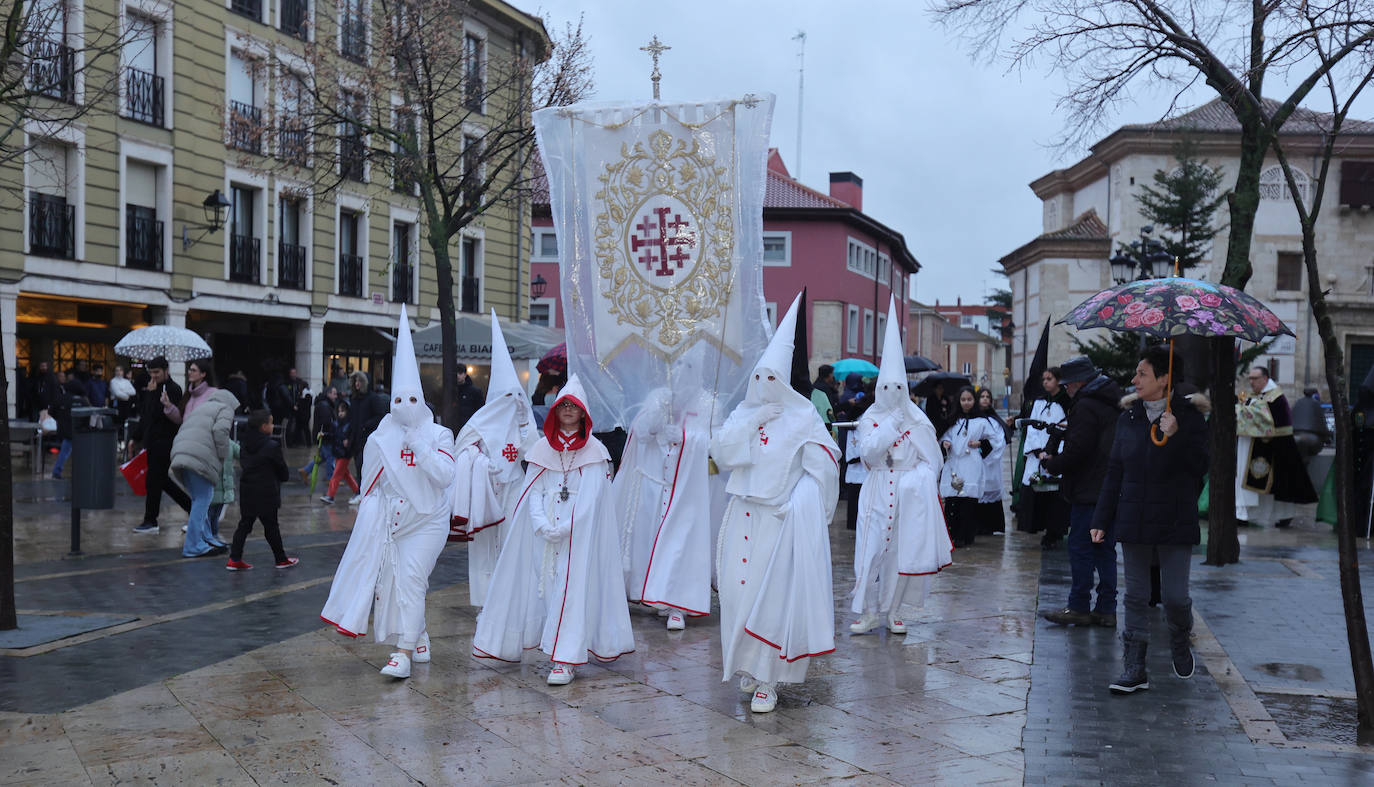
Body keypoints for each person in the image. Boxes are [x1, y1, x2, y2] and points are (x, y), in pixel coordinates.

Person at [711, 294, 840, 714]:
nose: (764, 384)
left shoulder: (805, 419)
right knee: (735, 596)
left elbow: (823, 471)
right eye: (759, 376)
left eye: (772, 377)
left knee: (771, 599)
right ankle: (747, 666)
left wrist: (804, 509)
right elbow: (722, 455)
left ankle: (769, 678)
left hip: (778, 519)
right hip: (741, 512)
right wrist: (749, 423)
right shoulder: (742, 414)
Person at [471, 374, 635, 684]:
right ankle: (555, 646)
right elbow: (533, 490)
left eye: (574, 406)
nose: (569, 411)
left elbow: (592, 498)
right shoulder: (542, 449)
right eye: (564, 406)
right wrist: (542, 523)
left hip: (578, 534)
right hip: (544, 531)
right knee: (548, 589)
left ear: (583, 411)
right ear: (556, 410)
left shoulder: (595, 452)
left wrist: (570, 526)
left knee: (570, 590)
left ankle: (565, 659)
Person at [322, 305, 456, 679]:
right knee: (400, 582)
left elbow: (446, 476)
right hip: (393, 523)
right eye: (398, 400)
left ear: (422, 400)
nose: (404, 407)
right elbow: (372, 484)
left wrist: (421, 448)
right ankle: (419, 634)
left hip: (428, 520)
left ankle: (402, 652)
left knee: (411, 580)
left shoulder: (439, 434)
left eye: (412, 400)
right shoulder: (380, 437)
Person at [1095, 346, 1210, 695]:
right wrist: (1102, 516)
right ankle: (1134, 667)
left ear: (1164, 379)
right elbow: (1115, 470)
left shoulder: (1189, 418)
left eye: (1142, 373)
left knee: (1175, 597)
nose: (1134, 380)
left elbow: (1199, 469)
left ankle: (1179, 636)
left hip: (1175, 518)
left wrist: (1175, 437)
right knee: (1136, 596)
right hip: (1134, 517)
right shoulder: (1128, 418)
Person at [849, 299, 951, 636]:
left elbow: (932, 459)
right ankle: (865, 612)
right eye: (886, 387)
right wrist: (890, 425)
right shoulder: (871, 419)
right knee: (869, 551)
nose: (892, 393)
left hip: (907, 493)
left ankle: (892, 611)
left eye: (898, 388)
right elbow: (868, 454)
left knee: (898, 554)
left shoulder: (918, 419)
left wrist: (918, 479)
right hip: (877, 488)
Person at [617, 354, 719, 630]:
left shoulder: (709, 403)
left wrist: (687, 438)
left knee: (682, 545)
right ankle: (652, 595)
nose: (681, 371)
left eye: (688, 365)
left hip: (689, 491)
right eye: (677, 365)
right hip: (654, 484)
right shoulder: (659, 396)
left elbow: (717, 444)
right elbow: (639, 433)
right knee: (649, 541)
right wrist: (656, 419)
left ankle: (678, 604)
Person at [450, 313, 536, 606]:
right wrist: (480, 462)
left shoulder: (523, 419)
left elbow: (533, 452)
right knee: (484, 548)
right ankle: (486, 602)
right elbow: (462, 450)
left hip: (514, 486)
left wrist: (526, 426)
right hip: (485, 490)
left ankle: (513, 598)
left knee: (513, 540)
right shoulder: (479, 421)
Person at [1036, 356, 1124, 628]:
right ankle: (1106, 608)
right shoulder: (1110, 402)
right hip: (1107, 486)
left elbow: (1079, 450)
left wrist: (1052, 464)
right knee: (1104, 549)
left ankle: (1079, 606)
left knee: (1081, 548)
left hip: (1088, 488)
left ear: (1077, 383)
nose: (1066, 390)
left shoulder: (1086, 406)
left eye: (1067, 385)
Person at [169, 361, 237, 558]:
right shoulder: (225, 409)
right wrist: (224, 456)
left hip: (180, 454)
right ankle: (193, 545)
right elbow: (220, 431)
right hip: (197, 458)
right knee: (203, 501)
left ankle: (206, 538)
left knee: (199, 500)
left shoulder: (204, 407)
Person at [1236, 367, 1318, 527]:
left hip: (1278, 449)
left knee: (1280, 487)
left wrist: (1241, 411)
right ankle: (1250, 514)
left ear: (1265, 379)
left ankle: (1282, 516)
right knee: (1266, 488)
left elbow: (1264, 417)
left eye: (1254, 378)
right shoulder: (1261, 395)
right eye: (1250, 378)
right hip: (1261, 446)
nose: (1251, 382)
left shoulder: (1275, 397)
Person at [227, 410, 299, 570]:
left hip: (247, 491)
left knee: (244, 525)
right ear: (263, 426)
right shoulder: (271, 446)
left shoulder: (244, 444)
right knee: (271, 527)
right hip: (267, 492)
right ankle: (281, 559)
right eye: (271, 423)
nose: (273, 426)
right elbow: (283, 472)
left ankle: (234, 558)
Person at [131, 357, 192, 533]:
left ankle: (150, 520)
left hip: (165, 442)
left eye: (157, 372)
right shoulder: (152, 388)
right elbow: (146, 415)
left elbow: (164, 415)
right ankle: (192, 508)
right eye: (151, 373)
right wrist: (136, 438)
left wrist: (152, 394)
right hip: (151, 441)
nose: (154, 376)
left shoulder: (173, 389)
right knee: (161, 481)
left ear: (166, 370)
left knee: (154, 480)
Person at [940, 386, 1001, 548]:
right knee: (953, 499)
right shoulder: (953, 420)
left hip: (971, 464)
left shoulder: (982, 421)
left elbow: (995, 441)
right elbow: (944, 437)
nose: (966, 403)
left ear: (974, 401)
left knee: (968, 501)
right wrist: (945, 443)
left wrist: (980, 443)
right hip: (954, 463)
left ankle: (965, 535)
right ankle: (951, 534)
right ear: (959, 401)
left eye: (969, 399)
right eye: (963, 400)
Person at [1018, 367, 1071, 547]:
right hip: (1038, 453)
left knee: (1054, 496)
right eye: (1044, 379)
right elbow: (1032, 428)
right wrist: (1038, 450)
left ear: (1058, 380)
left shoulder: (1066, 402)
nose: (1046, 382)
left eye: (1050, 378)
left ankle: (1054, 531)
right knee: (1036, 490)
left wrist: (1052, 453)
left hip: (1056, 455)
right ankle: (1038, 526)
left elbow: (1066, 430)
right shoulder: (1039, 402)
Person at [346, 369, 388, 502]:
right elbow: (351, 420)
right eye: (355, 381)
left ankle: (362, 491)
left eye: (359, 381)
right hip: (356, 439)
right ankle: (361, 491)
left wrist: (366, 425)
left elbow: (380, 416)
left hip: (367, 438)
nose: (357, 383)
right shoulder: (354, 399)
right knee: (358, 466)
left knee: (362, 465)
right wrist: (348, 436)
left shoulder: (373, 398)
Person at [975, 387, 1008, 536]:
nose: (985, 399)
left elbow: (999, 440)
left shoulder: (994, 420)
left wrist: (988, 451)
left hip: (992, 463)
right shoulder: (973, 418)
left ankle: (993, 526)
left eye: (988, 396)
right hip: (976, 462)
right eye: (982, 396)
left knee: (991, 492)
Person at [320, 399, 359, 504]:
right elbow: (333, 436)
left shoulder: (349, 425)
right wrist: (325, 435)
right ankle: (357, 491)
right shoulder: (337, 424)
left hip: (344, 453)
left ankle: (330, 495)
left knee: (336, 475)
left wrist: (348, 444)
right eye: (339, 411)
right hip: (338, 452)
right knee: (345, 474)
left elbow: (351, 437)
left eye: (343, 411)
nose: (340, 413)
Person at [299, 386, 340, 483]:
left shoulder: (324, 404)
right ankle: (331, 478)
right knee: (330, 456)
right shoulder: (325, 405)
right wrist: (331, 431)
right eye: (334, 393)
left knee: (322, 457)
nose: (336, 396)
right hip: (325, 435)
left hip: (323, 435)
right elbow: (326, 422)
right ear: (328, 394)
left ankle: (305, 470)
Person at [453, 366, 486, 431]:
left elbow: (480, 410)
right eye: (456, 373)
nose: (458, 376)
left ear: (465, 374)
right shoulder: (450, 391)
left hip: (469, 428)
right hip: (453, 427)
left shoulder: (475, 391)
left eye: (460, 373)